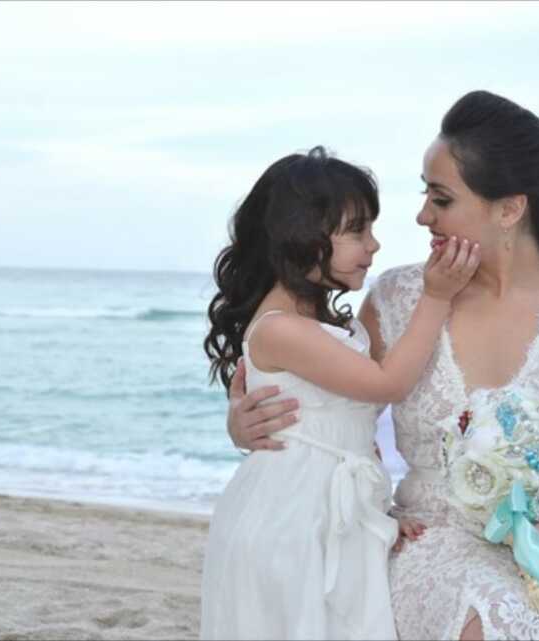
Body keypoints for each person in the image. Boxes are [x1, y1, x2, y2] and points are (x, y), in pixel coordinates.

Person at [227, 93, 539, 640]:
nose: (422, 216)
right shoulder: (397, 298)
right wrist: (242, 418)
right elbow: (333, 403)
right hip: (434, 538)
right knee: (487, 624)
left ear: (509, 209)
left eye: (440, 199)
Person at [200, 146, 480, 640]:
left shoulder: (323, 322)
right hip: (293, 517)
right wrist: (437, 297)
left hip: (332, 507)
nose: (373, 246)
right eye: (356, 231)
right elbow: (387, 384)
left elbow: (343, 422)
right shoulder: (281, 328)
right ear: (299, 237)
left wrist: (381, 512)